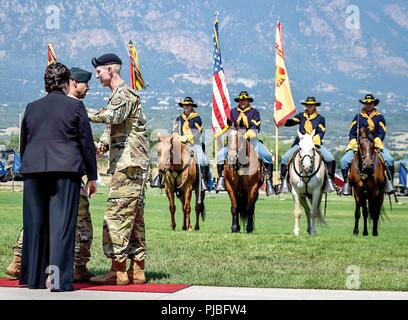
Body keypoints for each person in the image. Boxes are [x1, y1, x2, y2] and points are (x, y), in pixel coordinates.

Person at [6, 67, 96, 283]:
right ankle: (56, 282)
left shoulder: (31, 107)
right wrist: (92, 176)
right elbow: (86, 144)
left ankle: (33, 279)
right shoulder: (75, 106)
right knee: (61, 228)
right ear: (66, 83)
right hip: (65, 172)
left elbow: (24, 143)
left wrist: (27, 167)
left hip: (33, 170)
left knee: (34, 226)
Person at [87, 53, 150, 285]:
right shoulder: (118, 95)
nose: (96, 76)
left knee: (116, 217)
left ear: (111, 70)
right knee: (134, 219)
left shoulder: (123, 94)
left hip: (128, 167)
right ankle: (137, 270)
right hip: (131, 166)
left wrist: (78, 110)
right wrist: (101, 145)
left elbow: (111, 115)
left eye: (100, 71)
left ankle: (118, 271)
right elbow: (115, 126)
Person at [215, 91, 274, 196]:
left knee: (267, 155)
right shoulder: (232, 112)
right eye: (241, 100)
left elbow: (255, 128)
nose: (243, 102)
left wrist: (246, 135)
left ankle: (269, 181)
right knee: (220, 155)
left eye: (245, 100)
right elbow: (230, 126)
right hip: (234, 141)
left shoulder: (254, 112)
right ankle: (221, 178)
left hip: (251, 140)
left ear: (248, 101)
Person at [277, 96, 337, 193]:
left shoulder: (320, 119)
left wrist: (314, 140)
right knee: (284, 159)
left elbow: (321, 131)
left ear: (315, 106)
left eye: (311, 105)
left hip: (314, 143)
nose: (309, 107)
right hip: (300, 144)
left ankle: (330, 182)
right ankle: (283, 182)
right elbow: (292, 121)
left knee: (330, 158)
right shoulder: (301, 116)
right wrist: (282, 121)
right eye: (308, 105)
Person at [340, 94, 395, 195]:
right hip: (360, 146)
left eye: (370, 103)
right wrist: (353, 141)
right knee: (343, 161)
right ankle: (346, 183)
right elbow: (352, 132)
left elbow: (382, 131)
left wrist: (377, 141)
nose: (368, 105)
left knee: (390, 160)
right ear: (364, 104)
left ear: (374, 104)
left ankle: (389, 183)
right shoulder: (358, 117)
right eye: (367, 103)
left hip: (375, 145)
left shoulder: (380, 117)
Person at [151, 97, 210, 191]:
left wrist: (187, 137)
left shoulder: (197, 118)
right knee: (167, 155)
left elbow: (198, 132)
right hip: (180, 144)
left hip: (194, 144)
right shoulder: (179, 118)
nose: (186, 107)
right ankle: (160, 178)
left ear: (191, 106)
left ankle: (202, 181)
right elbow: (175, 131)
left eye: (188, 105)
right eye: (184, 105)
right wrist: (176, 137)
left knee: (202, 159)